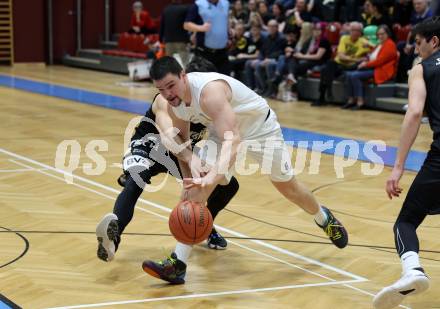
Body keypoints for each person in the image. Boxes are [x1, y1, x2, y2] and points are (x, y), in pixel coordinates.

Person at [142, 55, 349, 284]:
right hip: (221, 133)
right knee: (195, 192)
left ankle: (323, 217)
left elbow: (234, 142)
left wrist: (211, 176)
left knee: (288, 188)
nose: (168, 94)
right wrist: (191, 178)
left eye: (171, 85)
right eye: (161, 89)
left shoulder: (209, 93)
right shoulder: (176, 104)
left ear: (183, 75)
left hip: (260, 129)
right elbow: (182, 145)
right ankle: (178, 265)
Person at [95, 57, 240, 265]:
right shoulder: (165, 100)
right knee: (136, 181)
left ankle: (204, 224)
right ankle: (112, 239)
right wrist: (191, 158)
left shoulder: (209, 102)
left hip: (181, 154)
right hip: (149, 147)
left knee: (228, 185)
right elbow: (169, 134)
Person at [373, 16, 440, 309]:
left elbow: (414, 114)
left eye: (418, 41)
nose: (415, 48)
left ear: (433, 41)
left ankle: (412, 270)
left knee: (406, 221)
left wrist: (398, 166)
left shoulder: (421, 69)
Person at [313, 22, 371, 106]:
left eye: (358, 30)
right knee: (326, 68)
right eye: (353, 30)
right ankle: (326, 93)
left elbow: (367, 56)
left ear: (361, 32)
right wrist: (355, 59)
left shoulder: (364, 42)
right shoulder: (344, 38)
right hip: (339, 64)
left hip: (350, 67)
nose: (355, 32)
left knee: (326, 70)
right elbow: (340, 56)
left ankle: (323, 96)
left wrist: (352, 59)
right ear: (350, 31)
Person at [343, 25, 398, 110]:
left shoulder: (390, 44)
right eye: (378, 34)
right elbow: (372, 56)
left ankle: (360, 101)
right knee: (348, 74)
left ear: (388, 34)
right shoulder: (380, 44)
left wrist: (365, 64)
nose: (380, 36)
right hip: (374, 68)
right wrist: (366, 59)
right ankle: (351, 99)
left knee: (354, 75)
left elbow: (380, 61)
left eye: (382, 34)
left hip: (381, 70)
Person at [184, 0, 230, 75]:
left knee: (225, 80)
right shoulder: (198, 4)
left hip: (223, 52)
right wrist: (201, 28)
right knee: (206, 81)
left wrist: (228, 30)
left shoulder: (226, 3)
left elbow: (225, 19)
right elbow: (186, 25)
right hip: (204, 53)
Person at [159, 0, 191, 67]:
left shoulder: (166, 9)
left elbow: (162, 25)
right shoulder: (185, 9)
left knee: (169, 64)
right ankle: (187, 76)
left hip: (169, 41)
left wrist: (160, 39)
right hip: (182, 40)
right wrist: (190, 39)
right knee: (186, 63)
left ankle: (171, 77)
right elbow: (188, 24)